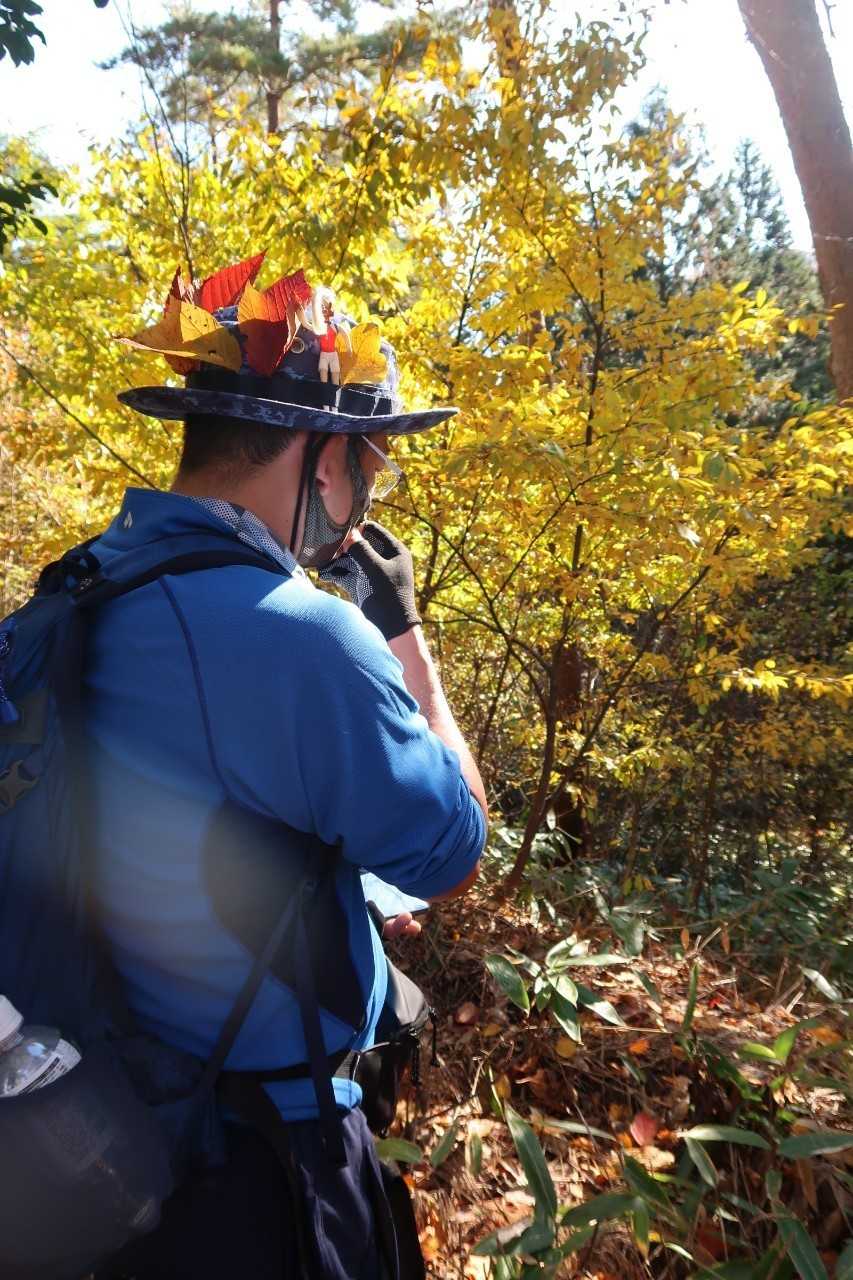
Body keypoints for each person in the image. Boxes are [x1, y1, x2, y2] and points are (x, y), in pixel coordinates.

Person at [84, 258, 488, 1280]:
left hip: (101, 1139)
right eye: (371, 462)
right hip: (264, 1172)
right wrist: (402, 634)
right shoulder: (304, 638)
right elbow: (455, 846)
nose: (369, 490)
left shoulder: (78, 594)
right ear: (323, 459)